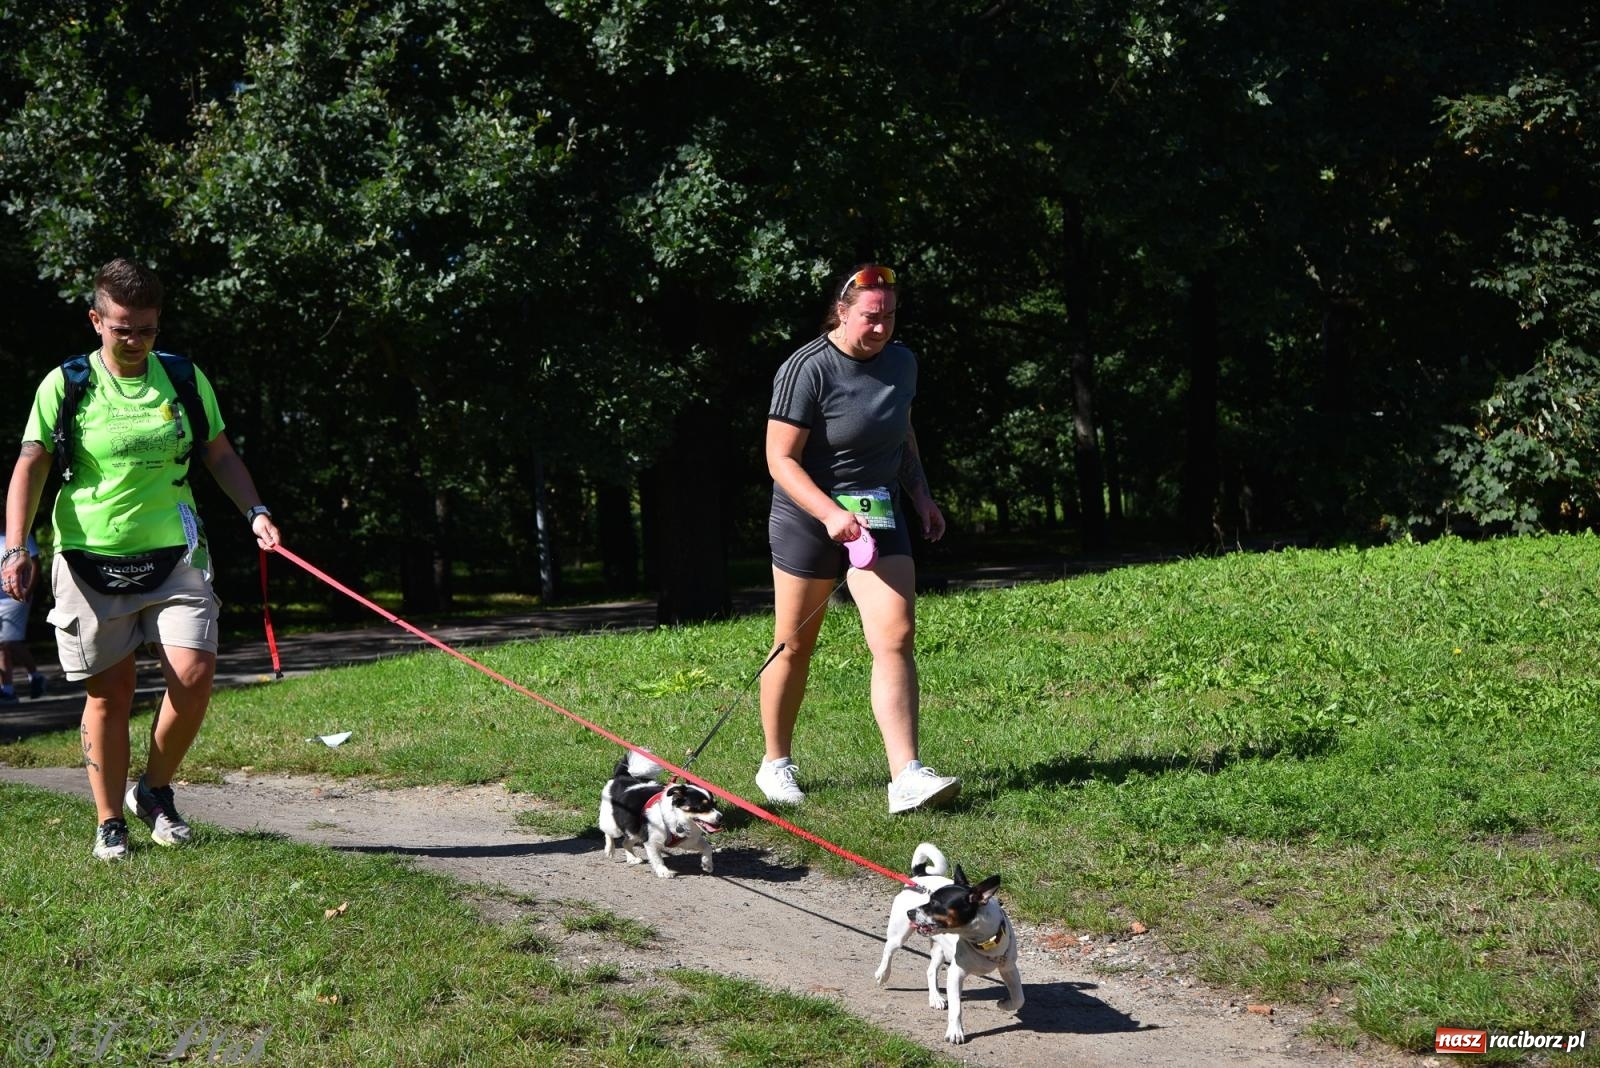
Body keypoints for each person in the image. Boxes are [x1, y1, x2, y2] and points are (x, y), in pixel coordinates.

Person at [2, 258, 281, 861]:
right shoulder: (67, 383)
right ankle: (110, 823)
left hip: (176, 551)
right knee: (112, 692)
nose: (135, 340)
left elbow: (218, 452)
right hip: (89, 555)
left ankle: (153, 790)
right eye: (123, 328)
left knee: (194, 673)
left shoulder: (181, 378)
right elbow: (32, 463)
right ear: (96, 319)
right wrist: (17, 545)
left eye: (147, 329)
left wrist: (254, 510)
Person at [758, 263, 960, 814]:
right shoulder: (807, 369)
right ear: (843, 312)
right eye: (871, 317)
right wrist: (827, 513)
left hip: (876, 512)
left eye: (890, 316)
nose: (881, 327)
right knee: (794, 644)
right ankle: (776, 763)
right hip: (809, 514)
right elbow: (780, 459)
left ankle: (906, 776)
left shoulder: (902, 362)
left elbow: (903, 430)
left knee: (896, 633)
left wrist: (920, 495)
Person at [0, 530, 46, 703]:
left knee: (8, 641)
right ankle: (8, 689)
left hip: (16, 596)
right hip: (0, 599)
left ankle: (33, 676)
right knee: (2, 645)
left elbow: (34, 563)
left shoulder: (19, 532)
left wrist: (27, 591)